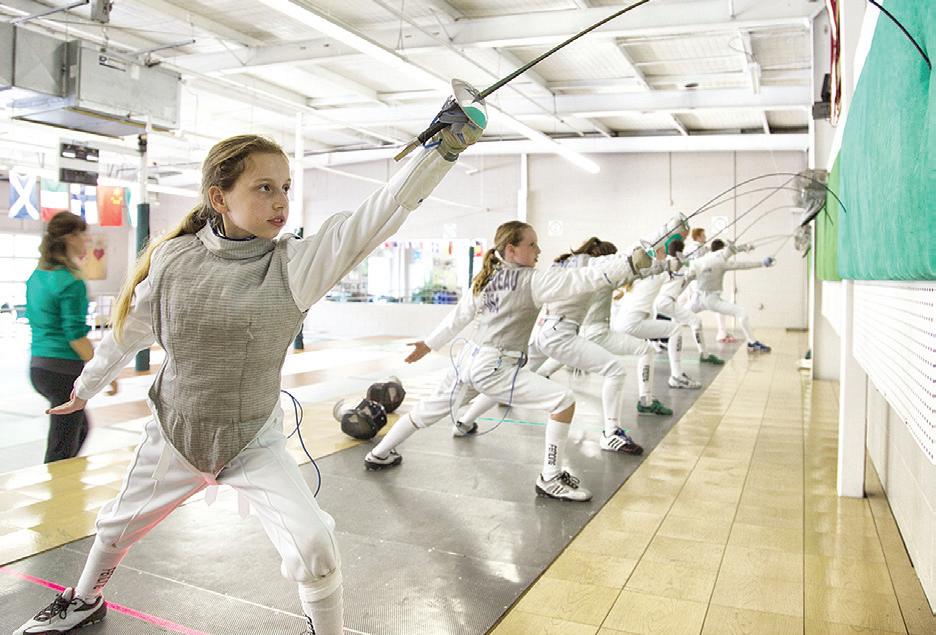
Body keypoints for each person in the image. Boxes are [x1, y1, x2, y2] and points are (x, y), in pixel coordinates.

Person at [14, 103, 483, 635]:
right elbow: (131, 328)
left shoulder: (295, 264)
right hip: (174, 433)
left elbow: (374, 218)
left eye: (285, 188)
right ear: (219, 197)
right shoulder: (173, 259)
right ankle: (83, 599)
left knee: (313, 545)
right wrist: (85, 387)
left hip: (252, 439)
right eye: (264, 188)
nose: (280, 201)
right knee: (116, 528)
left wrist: (440, 150)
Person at [364, 222, 661, 502]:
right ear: (511, 250)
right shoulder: (532, 281)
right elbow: (581, 279)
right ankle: (550, 477)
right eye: (532, 244)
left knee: (428, 409)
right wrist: (628, 264)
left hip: (468, 360)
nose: (538, 250)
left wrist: (429, 344)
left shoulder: (487, 277)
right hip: (495, 366)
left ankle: (379, 454)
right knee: (563, 401)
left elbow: (458, 317)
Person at [452, 237, 649, 455]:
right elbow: (623, 267)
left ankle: (464, 422)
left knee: (508, 379)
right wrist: (658, 263)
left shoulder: (564, 262)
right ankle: (611, 433)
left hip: (542, 330)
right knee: (615, 370)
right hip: (560, 334)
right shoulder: (589, 265)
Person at [25, 212, 117, 464]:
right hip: (62, 371)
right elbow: (75, 336)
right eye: (83, 235)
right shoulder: (70, 282)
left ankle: (60, 480)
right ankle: (53, 486)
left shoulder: (37, 276)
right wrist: (104, 372)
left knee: (80, 429)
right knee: (61, 448)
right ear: (70, 238)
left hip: (39, 367)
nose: (87, 240)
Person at [688, 238, 774, 352]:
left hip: (696, 298)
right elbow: (743, 265)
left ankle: (664, 336)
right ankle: (752, 343)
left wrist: (744, 248)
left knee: (676, 316)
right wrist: (762, 263)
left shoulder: (702, 259)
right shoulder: (721, 262)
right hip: (711, 300)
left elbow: (730, 251)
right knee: (741, 312)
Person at [653, 239, 724, 365]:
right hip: (667, 301)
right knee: (695, 322)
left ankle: (668, 351)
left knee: (675, 325)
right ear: (681, 250)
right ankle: (703, 355)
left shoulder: (666, 264)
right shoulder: (683, 265)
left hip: (659, 302)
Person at [688, 227, 733, 343]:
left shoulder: (694, 248)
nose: (705, 237)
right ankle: (667, 326)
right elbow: (707, 256)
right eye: (703, 235)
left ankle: (722, 333)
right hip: (700, 286)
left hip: (697, 285)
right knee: (686, 312)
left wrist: (725, 246)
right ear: (697, 237)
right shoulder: (698, 250)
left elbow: (710, 251)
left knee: (718, 307)